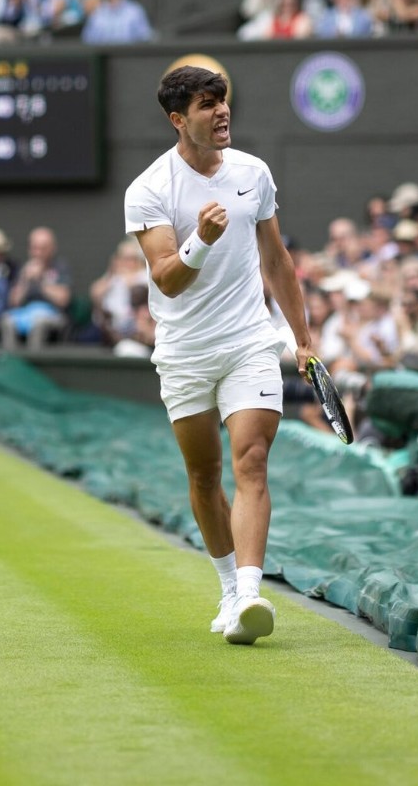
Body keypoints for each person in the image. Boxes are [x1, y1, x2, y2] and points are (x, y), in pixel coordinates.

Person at [125, 66, 314, 646]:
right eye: (208, 105)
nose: (222, 112)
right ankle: (230, 588)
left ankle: (253, 595)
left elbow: (276, 259)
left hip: (249, 342)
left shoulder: (253, 173)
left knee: (250, 460)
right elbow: (168, 279)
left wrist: (303, 337)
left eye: (224, 101)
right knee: (204, 475)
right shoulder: (149, 189)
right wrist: (200, 240)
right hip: (183, 352)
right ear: (179, 119)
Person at [1, 227, 73, 349]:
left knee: (38, 322)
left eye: (43, 248)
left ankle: (34, 363)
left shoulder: (60, 267)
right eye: (35, 248)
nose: (38, 253)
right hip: (26, 313)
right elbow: (14, 302)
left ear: (52, 248)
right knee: (7, 320)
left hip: (53, 315)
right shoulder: (24, 269)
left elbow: (63, 300)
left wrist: (41, 280)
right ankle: (11, 362)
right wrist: (25, 280)